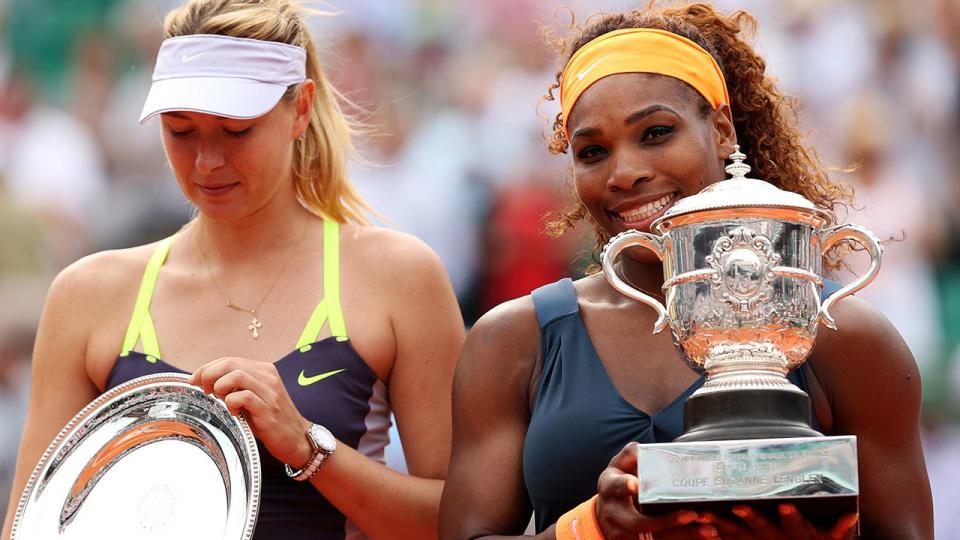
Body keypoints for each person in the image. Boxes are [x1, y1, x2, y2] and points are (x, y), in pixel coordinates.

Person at [439, 3, 933, 540]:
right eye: (593, 151)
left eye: (654, 133)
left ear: (722, 131)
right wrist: (592, 529)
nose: (625, 173)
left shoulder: (848, 336)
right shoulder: (512, 341)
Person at [1, 0, 465, 538]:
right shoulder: (88, 294)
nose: (207, 162)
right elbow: (31, 528)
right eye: (180, 130)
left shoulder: (400, 276)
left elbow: (460, 520)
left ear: (301, 109)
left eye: (236, 131)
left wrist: (308, 447)